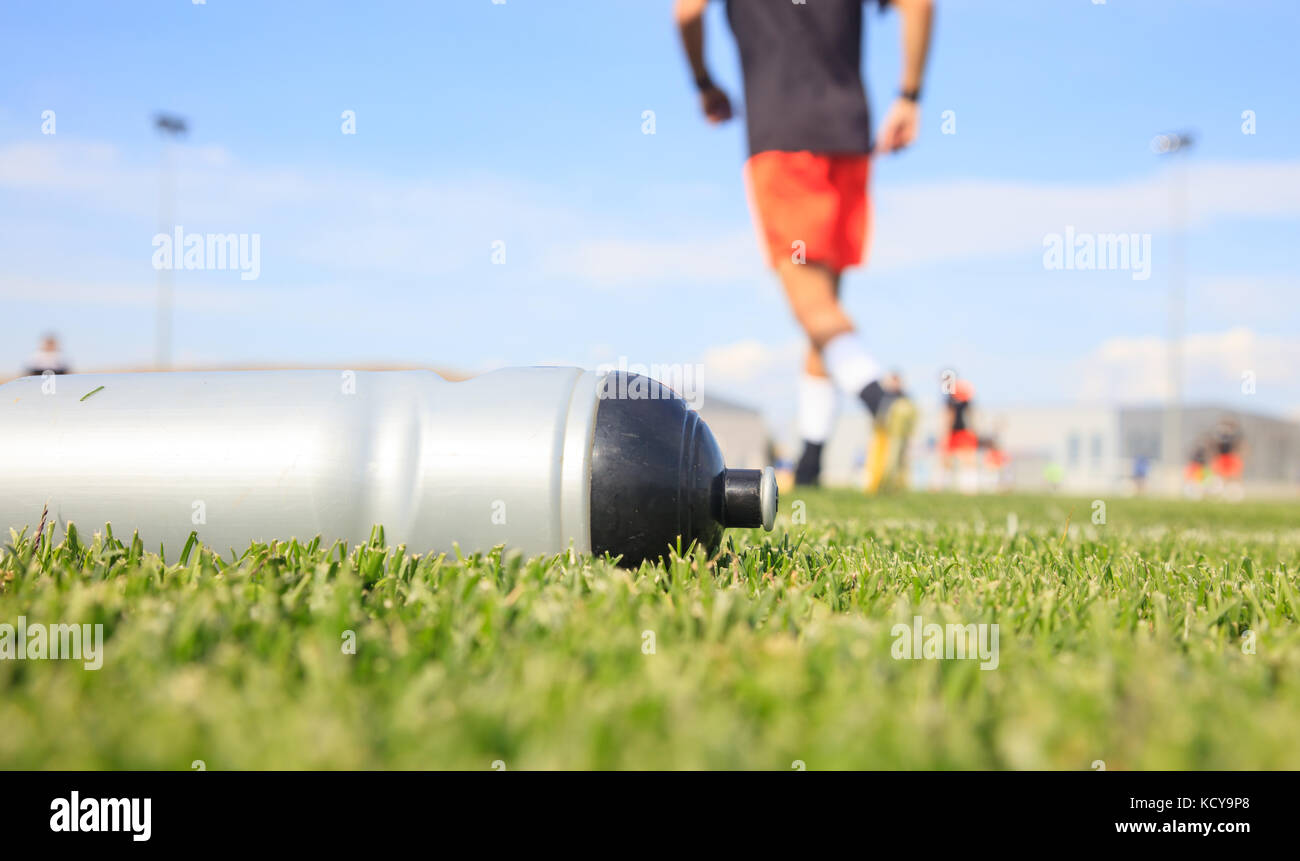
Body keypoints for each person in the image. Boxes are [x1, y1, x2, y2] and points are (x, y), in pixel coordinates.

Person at [674, 0, 934, 490]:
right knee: (827, 309)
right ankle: (812, 462)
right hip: (849, 135)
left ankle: (881, 398)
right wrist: (911, 95)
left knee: (810, 305)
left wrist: (705, 85)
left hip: (781, 135)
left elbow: (687, 13)